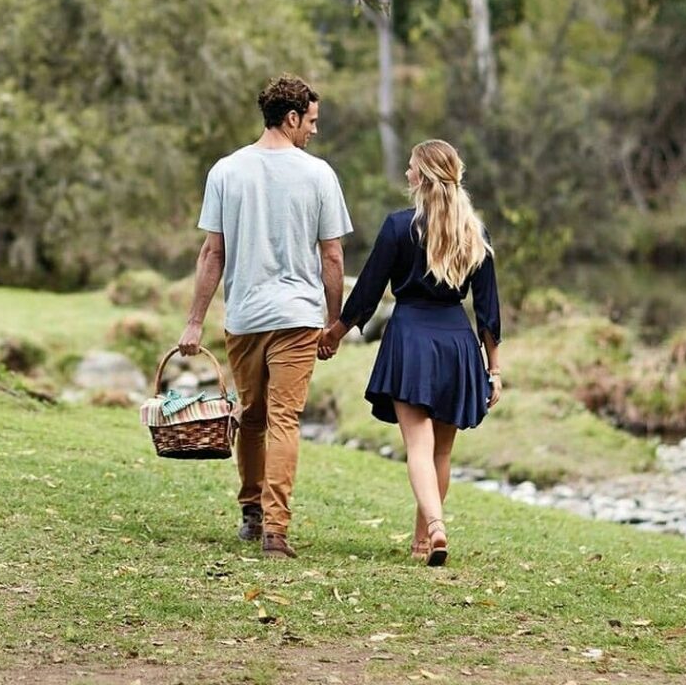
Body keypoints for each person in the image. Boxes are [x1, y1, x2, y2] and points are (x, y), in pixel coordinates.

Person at [178, 74, 353, 559]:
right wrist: (332, 322)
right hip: (298, 315)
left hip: (246, 316)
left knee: (252, 419)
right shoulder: (319, 175)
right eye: (311, 121)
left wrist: (195, 321)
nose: (314, 131)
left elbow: (212, 253)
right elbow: (333, 256)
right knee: (282, 421)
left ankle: (253, 513)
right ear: (291, 117)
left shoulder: (226, 171)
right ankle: (276, 532)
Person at [319, 139, 501, 566]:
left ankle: (435, 528)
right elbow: (489, 310)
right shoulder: (475, 233)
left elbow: (368, 290)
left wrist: (337, 332)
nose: (406, 173)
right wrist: (494, 370)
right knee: (440, 452)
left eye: (410, 167)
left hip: (411, 340)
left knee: (418, 448)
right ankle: (423, 540)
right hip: (457, 344)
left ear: (423, 175)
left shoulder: (399, 227)